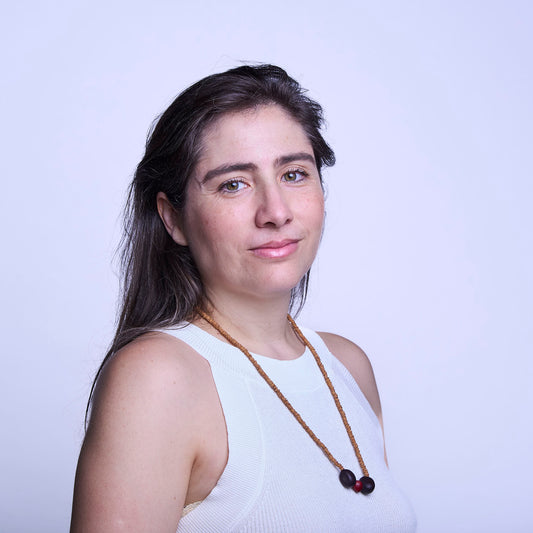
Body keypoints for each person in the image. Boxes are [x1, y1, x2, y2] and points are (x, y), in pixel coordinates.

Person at [70, 64, 416, 532]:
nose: (276, 212)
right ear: (173, 218)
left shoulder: (348, 366)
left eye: (294, 173)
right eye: (233, 183)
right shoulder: (159, 378)